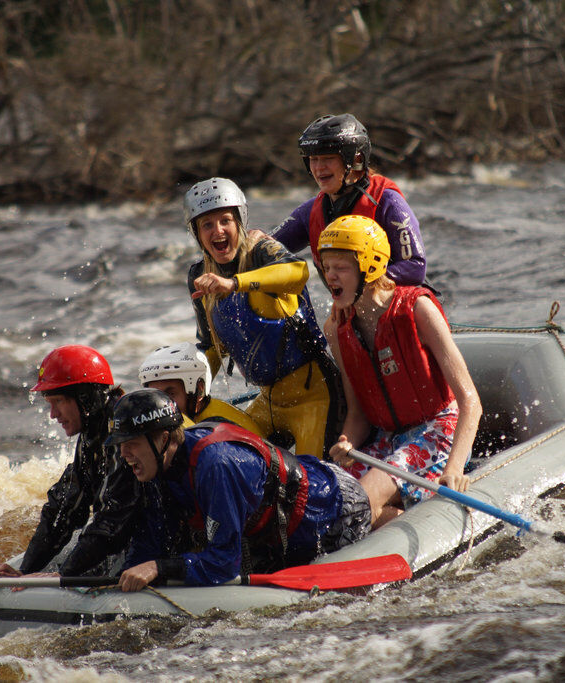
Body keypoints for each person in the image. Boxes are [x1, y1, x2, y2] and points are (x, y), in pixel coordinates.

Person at [107, 389, 371, 590]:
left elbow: (223, 563)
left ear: (164, 439)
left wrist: (159, 568)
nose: (123, 453)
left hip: (333, 507)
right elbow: (153, 539)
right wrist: (122, 580)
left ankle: (387, 511)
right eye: (120, 444)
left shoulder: (216, 465)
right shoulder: (156, 466)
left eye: (131, 443)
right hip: (278, 533)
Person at [317, 216, 482, 529]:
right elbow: (358, 414)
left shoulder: (418, 309)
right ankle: (404, 520)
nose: (330, 277)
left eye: (341, 267)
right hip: (388, 438)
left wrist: (454, 469)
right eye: (326, 267)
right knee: (325, 499)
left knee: (359, 502)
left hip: (438, 432)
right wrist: (347, 442)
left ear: (369, 267)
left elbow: (470, 401)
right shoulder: (336, 329)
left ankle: (414, 523)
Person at [184, 176, 342, 458]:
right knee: (225, 454)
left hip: (314, 397)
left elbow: (298, 271)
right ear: (197, 233)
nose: (218, 231)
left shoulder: (262, 251)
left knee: (311, 477)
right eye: (207, 225)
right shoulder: (199, 275)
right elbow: (211, 347)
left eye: (225, 221)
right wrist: (188, 393)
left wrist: (234, 283)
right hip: (268, 401)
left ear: (239, 221)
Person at [0, 345, 137, 577]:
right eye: (50, 403)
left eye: (58, 401)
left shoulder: (125, 433)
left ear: (86, 398)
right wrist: (25, 570)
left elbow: (112, 520)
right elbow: (62, 511)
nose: (53, 414)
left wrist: (64, 575)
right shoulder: (92, 436)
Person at [267, 113, 427, 296]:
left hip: (405, 304)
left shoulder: (387, 201)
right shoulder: (310, 212)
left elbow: (415, 267)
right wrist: (255, 241)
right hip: (352, 307)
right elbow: (266, 250)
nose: (319, 168)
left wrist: (357, 286)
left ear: (356, 160)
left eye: (328, 158)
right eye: (313, 159)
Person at [138, 341, 263, 435]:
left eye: (170, 394)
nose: (160, 405)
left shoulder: (219, 429)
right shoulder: (197, 415)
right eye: (155, 396)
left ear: (199, 391)